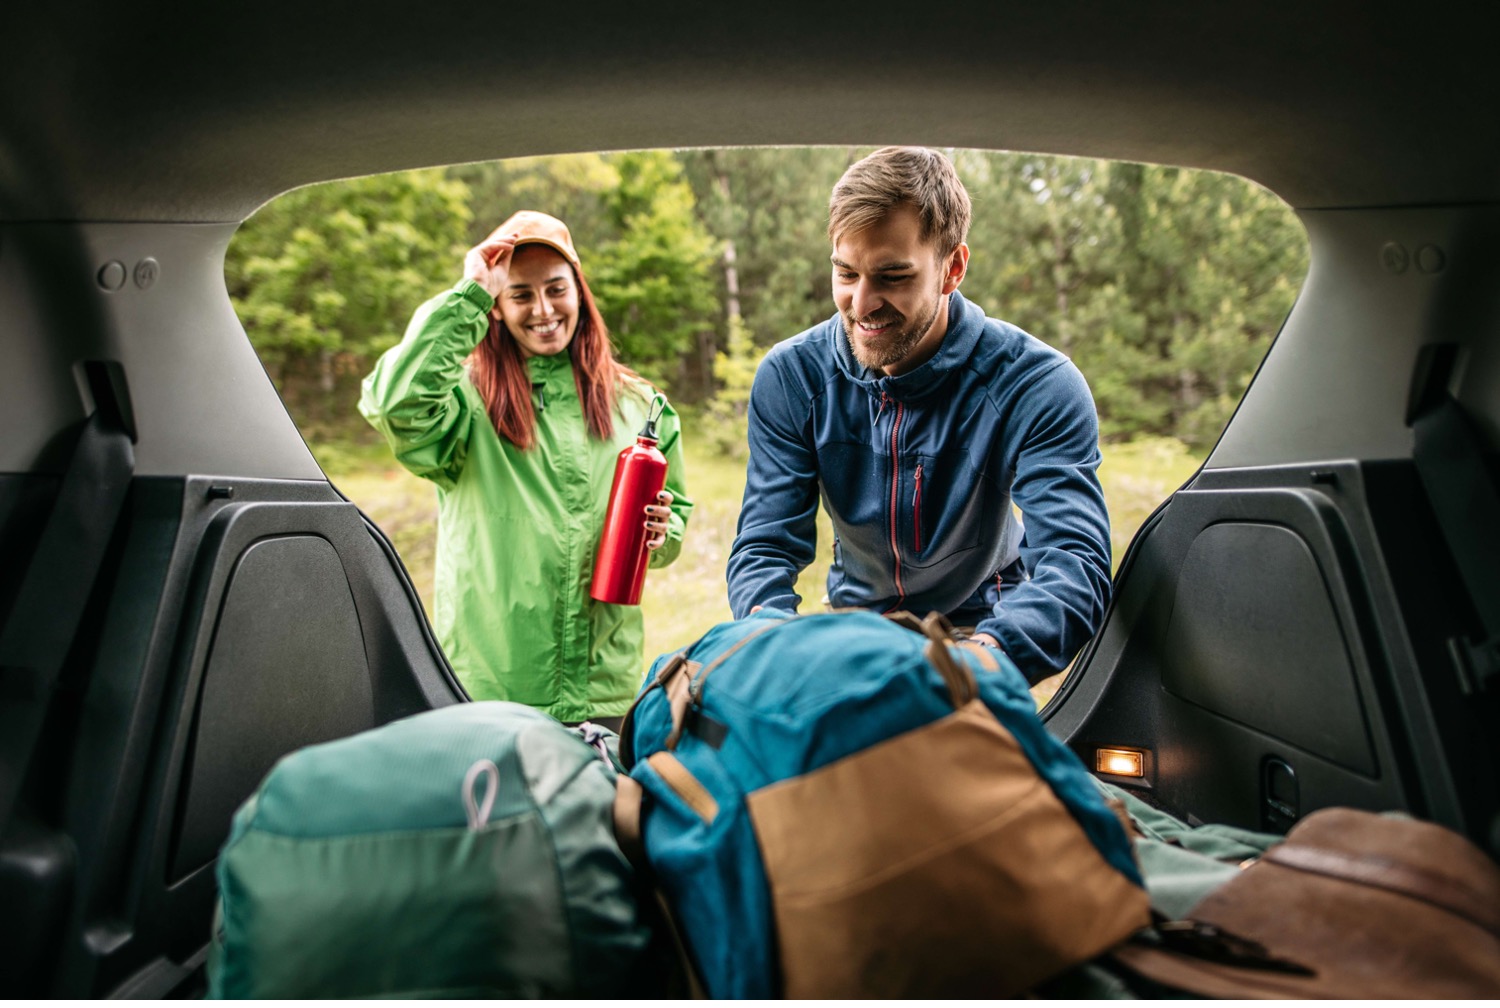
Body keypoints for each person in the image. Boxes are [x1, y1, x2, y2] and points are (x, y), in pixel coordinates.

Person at [726, 147, 1110, 684]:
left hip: (987, 628)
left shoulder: (1036, 383)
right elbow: (766, 545)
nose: (861, 305)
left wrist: (978, 663)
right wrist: (775, 643)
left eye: (892, 276)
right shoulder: (792, 377)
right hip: (857, 628)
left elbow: (1074, 564)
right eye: (846, 273)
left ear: (952, 268)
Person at [360, 210, 693, 727]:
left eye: (556, 289)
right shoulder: (465, 401)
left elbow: (673, 524)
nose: (543, 309)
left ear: (579, 291)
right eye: (519, 295)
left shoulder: (640, 405)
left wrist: (659, 532)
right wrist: (470, 292)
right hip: (490, 686)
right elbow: (394, 403)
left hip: (605, 687)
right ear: (496, 307)